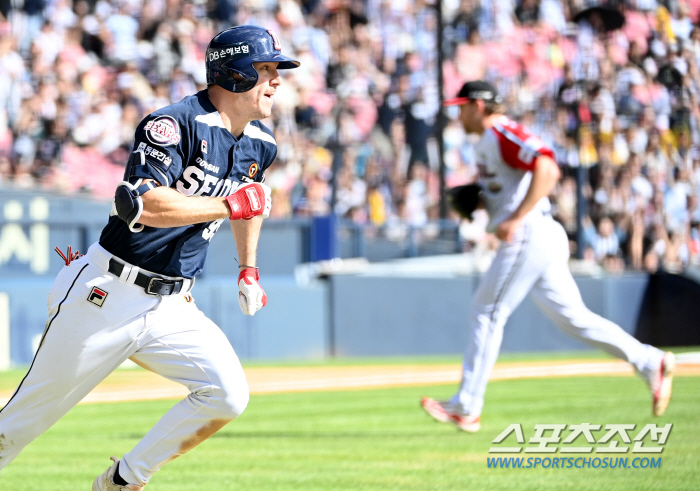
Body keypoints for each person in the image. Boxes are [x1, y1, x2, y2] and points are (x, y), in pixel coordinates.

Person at [0, 25, 299, 489]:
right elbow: (145, 204)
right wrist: (230, 205)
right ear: (235, 73)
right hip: (108, 293)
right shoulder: (172, 123)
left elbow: (251, 202)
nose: (277, 80)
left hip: (172, 303)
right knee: (14, 430)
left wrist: (248, 267)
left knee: (226, 395)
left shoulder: (262, 143)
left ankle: (122, 480)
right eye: (265, 69)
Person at [421, 81, 675, 433]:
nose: (458, 113)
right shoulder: (487, 141)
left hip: (531, 232)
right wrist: (485, 202)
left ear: (479, 105)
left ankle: (467, 406)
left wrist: (514, 217)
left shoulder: (502, 132)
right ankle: (650, 361)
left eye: (462, 106)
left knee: (486, 312)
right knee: (573, 319)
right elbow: (512, 185)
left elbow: (548, 168)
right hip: (538, 234)